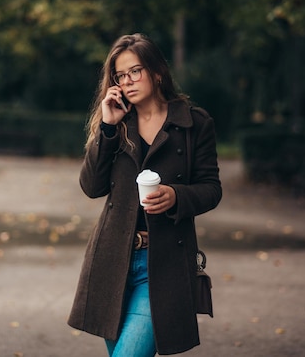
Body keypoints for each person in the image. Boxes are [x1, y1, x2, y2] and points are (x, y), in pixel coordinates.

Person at [67, 33, 222, 356]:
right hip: (112, 260)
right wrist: (108, 128)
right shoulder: (117, 124)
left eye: (134, 71)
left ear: (157, 72)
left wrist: (177, 196)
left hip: (163, 263)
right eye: (120, 76)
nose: (127, 82)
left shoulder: (194, 123)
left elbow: (211, 188)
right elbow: (92, 187)